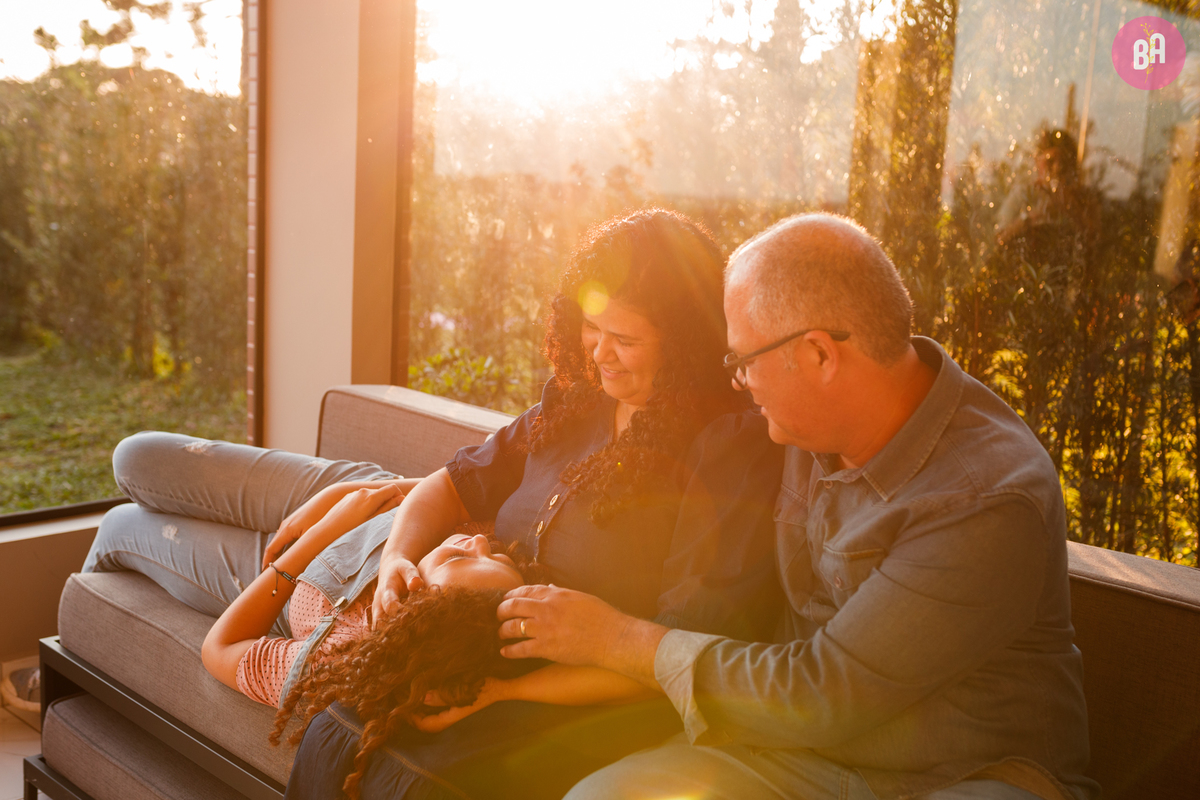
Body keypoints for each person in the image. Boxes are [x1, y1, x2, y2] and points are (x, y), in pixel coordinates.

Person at [85, 208, 784, 798]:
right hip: (374, 498)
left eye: (624, 340)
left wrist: (508, 693)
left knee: (124, 528)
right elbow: (450, 484)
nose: (598, 356)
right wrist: (395, 559)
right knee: (138, 458)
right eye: (589, 328)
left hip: (336, 572)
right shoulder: (576, 402)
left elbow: (678, 656)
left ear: (688, 342)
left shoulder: (722, 454)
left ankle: (55, 654)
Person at [493, 213, 1100, 800]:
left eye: (743, 362)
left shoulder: (984, 499)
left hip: (961, 775)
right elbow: (641, 434)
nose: (738, 382)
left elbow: (824, 694)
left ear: (818, 355)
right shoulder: (801, 425)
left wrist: (612, 638)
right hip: (793, 761)